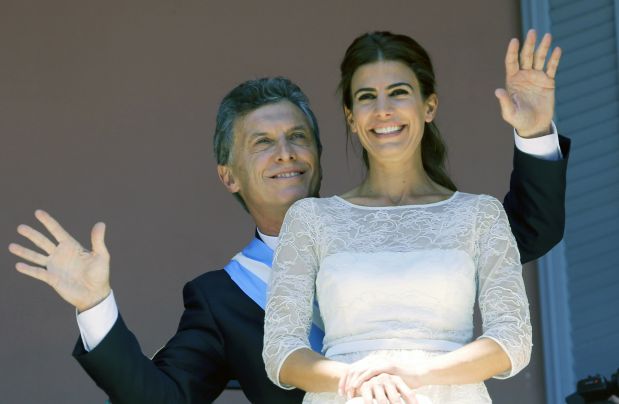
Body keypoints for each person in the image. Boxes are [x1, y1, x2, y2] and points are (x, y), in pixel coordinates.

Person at [9, 43, 568, 404]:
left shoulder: (436, 220)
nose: (286, 155)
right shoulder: (220, 299)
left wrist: (535, 131)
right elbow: (164, 400)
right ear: (228, 176)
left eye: (298, 138)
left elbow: (530, 229)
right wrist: (93, 306)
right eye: (262, 144)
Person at [262, 30, 564, 404]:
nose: (383, 109)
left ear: (429, 106)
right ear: (351, 118)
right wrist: (358, 379)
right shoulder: (310, 220)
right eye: (366, 97)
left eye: (399, 92)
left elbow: (512, 341)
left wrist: (415, 373)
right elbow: (281, 351)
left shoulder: (479, 215)